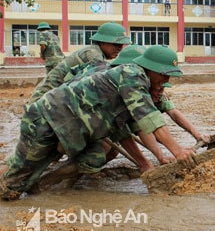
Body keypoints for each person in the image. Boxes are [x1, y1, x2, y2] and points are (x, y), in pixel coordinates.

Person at [0, 45, 196, 200]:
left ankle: (43, 185)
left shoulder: (135, 85)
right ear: (151, 69)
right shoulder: (132, 75)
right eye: (164, 74)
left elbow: (129, 131)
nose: (166, 80)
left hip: (68, 131)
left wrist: (149, 163)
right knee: (14, 181)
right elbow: (151, 119)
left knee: (89, 159)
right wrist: (177, 151)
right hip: (46, 121)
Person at [29, 21, 131, 103]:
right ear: (103, 41)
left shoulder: (95, 52)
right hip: (42, 101)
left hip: (51, 98)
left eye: (121, 45)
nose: (119, 49)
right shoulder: (93, 56)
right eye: (116, 44)